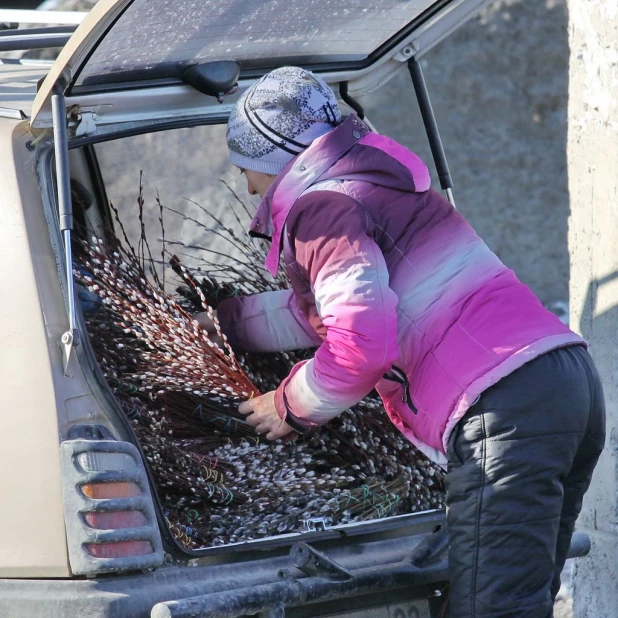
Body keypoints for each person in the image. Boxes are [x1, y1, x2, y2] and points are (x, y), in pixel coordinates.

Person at [201, 66, 605, 617]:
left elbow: (360, 343)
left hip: (501, 405)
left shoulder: (322, 209)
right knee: (517, 602)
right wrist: (222, 323)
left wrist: (289, 406)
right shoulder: (376, 187)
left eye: (247, 171)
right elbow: (328, 311)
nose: (249, 189)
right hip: (562, 383)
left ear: (274, 160)